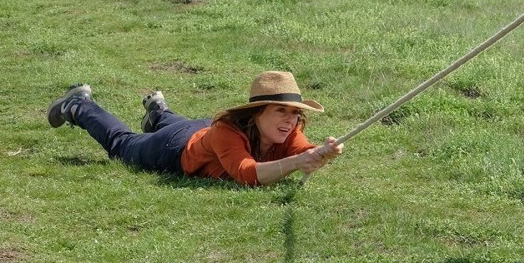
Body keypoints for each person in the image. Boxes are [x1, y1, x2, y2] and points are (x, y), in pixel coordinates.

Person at [47, 71, 343, 186]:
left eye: (294, 113)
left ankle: (158, 111)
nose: (290, 120)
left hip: (201, 131)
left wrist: (323, 152)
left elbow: (304, 151)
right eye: (280, 111)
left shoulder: (287, 129)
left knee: (185, 126)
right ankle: (79, 105)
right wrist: (297, 162)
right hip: (176, 148)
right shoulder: (227, 131)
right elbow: (246, 173)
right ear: (256, 114)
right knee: (122, 145)